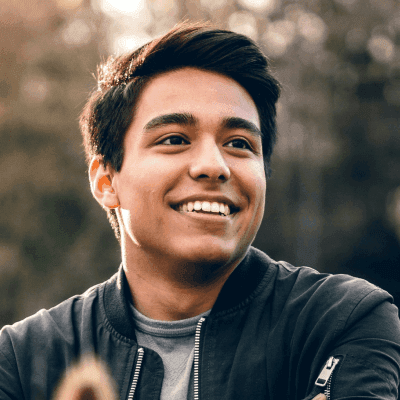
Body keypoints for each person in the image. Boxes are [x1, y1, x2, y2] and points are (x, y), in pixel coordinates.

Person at [1, 21, 399, 400]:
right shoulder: (23, 359)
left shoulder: (342, 321)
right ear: (106, 181)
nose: (214, 165)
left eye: (240, 143)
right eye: (174, 139)